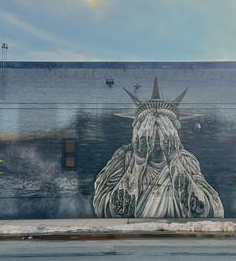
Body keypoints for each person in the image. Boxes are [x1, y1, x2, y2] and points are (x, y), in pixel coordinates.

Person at [93, 79, 224, 218]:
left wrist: (174, 159)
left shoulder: (186, 160)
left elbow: (208, 211)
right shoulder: (123, 157)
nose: (155, 134)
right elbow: (108, 211)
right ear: (137, 130)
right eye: (149, 126)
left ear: (173, 131)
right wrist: (138, 160)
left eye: (162, 126)